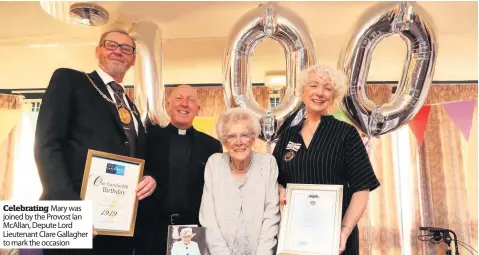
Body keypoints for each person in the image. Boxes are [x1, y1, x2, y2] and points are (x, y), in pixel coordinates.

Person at [34, 28, 157, 255]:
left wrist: (147, 175)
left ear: (132, 59)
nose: (118, 51)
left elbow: (130, 156)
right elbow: (48, 145)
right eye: (111, 45)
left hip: (117, 225)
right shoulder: (70, 80)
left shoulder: (132, 107)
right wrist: (71, 210)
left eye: (126, 48)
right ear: (98, 51)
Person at [272, 64, 380, 255]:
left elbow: (362, 189)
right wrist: (280, 191)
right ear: (303, 91)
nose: (320, 93)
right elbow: (274, 182)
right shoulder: (287, 135)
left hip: (335, 238)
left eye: (328, 88)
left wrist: (344, 231)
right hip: (295, 237)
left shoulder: (346, 133)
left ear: (334, 96)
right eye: (314, 85)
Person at [135, 85, 223, 255]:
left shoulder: (211, 145)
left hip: (191, 230)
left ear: (198, 109)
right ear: (167, 106)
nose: (184, 104)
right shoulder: (147, 138)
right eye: (178, 99)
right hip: (151, 228)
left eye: (191, 100)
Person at [199, 108, 280, 255]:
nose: (238, 142)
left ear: (254, 138)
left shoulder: (268, 163)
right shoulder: (214, 163)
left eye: (244, 135)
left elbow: (271, 215)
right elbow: (208, 216)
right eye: (231, 136)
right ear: (224, 140)